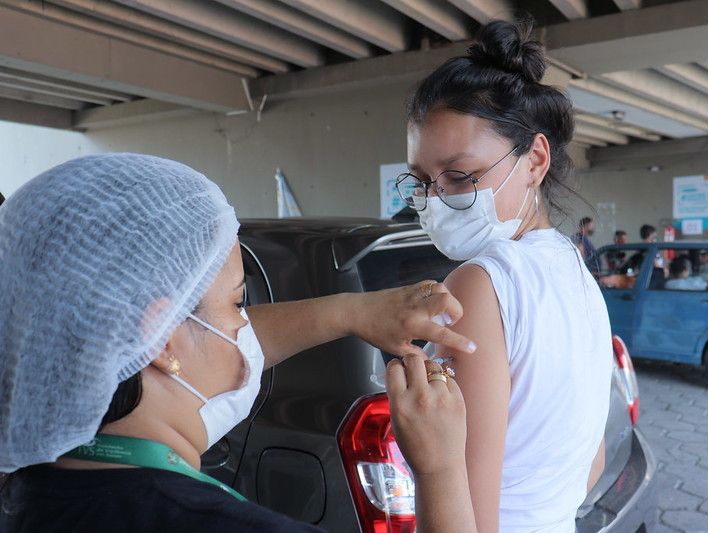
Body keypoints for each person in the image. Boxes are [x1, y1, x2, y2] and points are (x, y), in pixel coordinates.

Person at [0, 154, 477, 533]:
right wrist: (439, 472)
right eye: (237, 303)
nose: (246, 330)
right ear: (161, 340)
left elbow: (204, 338)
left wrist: (350, 312)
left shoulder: (32, 491)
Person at [398, 20, 612, 532]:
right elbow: (593, 464)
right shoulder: (573, 270)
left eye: (460, 176)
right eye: (423, 180)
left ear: (535, 159)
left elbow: (466, 521)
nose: (436, 199)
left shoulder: (481, 283)